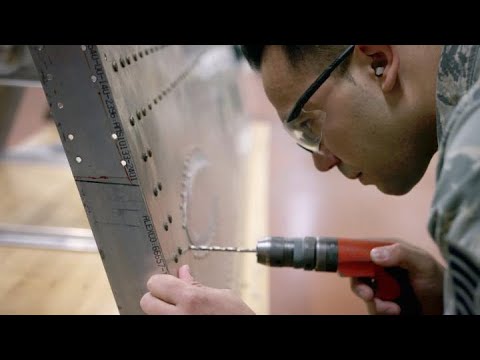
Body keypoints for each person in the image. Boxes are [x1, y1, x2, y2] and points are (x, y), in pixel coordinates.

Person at [140, 45, 480, 315]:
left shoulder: (470, 172)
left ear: (378, 61)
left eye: (308, 126)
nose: (322, 163)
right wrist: (456, 299)